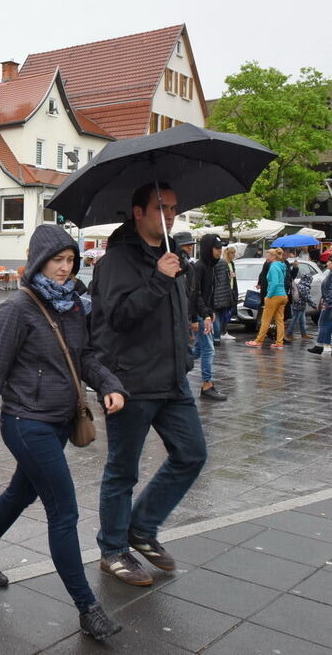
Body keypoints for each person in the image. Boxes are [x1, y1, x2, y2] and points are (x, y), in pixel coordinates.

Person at [0, 225, 126, 642]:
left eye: (70, 261)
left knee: (21, 492)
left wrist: (110, 384)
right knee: (64, 511)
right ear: (38, 262)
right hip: (24, 421)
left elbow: (84, 357)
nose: (65, 269)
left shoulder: (71, 306)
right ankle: (88, 608)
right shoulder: (17, 309)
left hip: (58, 420)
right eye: (58, 261)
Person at [89, 182, 207, 588]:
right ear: (137, 212)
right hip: (131, 382)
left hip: (173, 380)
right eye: (161, 207)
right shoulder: (117, 261)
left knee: (191, 454)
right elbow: (117, 318)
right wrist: (158, 279)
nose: (170, 215)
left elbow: (174, 316)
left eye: (174, 208)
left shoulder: (171, 256)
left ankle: (141, 527)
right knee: (122, 470)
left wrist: (187, 353)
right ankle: (113, 550)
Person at [190, 234, 226, 400]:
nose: (220, 251)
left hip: (204, 314)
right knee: (208, 350)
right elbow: (195, 295)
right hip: (200, 315)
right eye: (217, 248)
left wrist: (211, 312)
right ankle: (207, 385)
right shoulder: (200, 267)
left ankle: (174, 370)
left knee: (198, 350)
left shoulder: (211, 266)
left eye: (221, 248)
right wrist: (203, 315)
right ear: (208, 248)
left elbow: (208, 294)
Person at [245, 248, 287, 348]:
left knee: (265, 320)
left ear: (273, 256)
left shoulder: (273, 267)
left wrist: (268, 296)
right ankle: (279, 342)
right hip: (283, 296)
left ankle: (258, 341)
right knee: (279, 320)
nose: (266, 257)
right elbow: (282, 280)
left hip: (274, 296)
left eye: (267, 255)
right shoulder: (282, 266)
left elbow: (275, 283)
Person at [212, 245, 237, 342]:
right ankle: (219, 334)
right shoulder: (224, 263)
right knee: (220, 316)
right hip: (225, 293)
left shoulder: (220, 263)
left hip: (221, 293)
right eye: (232, 253)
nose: (233, 255)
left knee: (218, 316)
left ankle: (217, 337)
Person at [288, 267, 316, 340]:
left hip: (299, 306)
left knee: (302, 321)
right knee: (295, 320)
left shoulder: (299, 285)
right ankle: (289, 334)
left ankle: (304, 334)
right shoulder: (304, 287)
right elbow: (307, 298)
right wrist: (314, 306)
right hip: (299, 307)